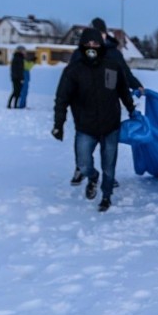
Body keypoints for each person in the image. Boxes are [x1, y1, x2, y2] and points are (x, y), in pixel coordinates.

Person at [52, 28, 136, 212]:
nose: (92, 47)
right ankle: (92, 176)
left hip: (110, 125)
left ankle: (106, 196)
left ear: (101, 45)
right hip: (85, 126)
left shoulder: (112, 66)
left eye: (95, 44)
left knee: (109, 166)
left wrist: (132, 110)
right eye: (88, 44)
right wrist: (58, 124)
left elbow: (122, 90)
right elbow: (61, 99)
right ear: (82, 46)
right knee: (83, 164)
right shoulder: (73, 70)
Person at [68, 18, 144, 186]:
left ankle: (108, 175)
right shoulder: (80, 53)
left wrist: (137, 85)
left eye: (99, 34)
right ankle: (80, 168)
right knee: (83, 139)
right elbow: (70, 76)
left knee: (107, 140)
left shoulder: (113, 53)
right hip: (83, 105)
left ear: (104, 34)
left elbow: (124, 74)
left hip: (107, 106)